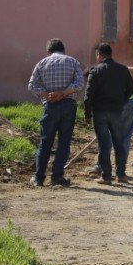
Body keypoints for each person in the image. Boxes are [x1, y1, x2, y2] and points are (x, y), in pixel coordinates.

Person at [27, 38, 84, 187]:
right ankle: (57, 177)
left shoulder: (42, 63)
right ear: (63, 49)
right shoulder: (73, 62)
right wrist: (63, 93)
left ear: (49, 51)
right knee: (64, 142)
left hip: (50, 106)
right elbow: (79, 84)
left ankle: (38, 178)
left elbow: (32, 86)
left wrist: (48, 94)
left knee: (45, 142)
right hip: (68, 106)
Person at [84, 43, 133, 184]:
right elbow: (131, 91)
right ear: (111, 54)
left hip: (100, 112)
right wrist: (121, 102)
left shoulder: (95, 71)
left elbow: (88, 96)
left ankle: (106, 176)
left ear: (99, 55)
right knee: (118, 143)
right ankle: (121, 174)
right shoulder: (123, 70)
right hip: (117, 112)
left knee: (103, 144)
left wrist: (87, 115)